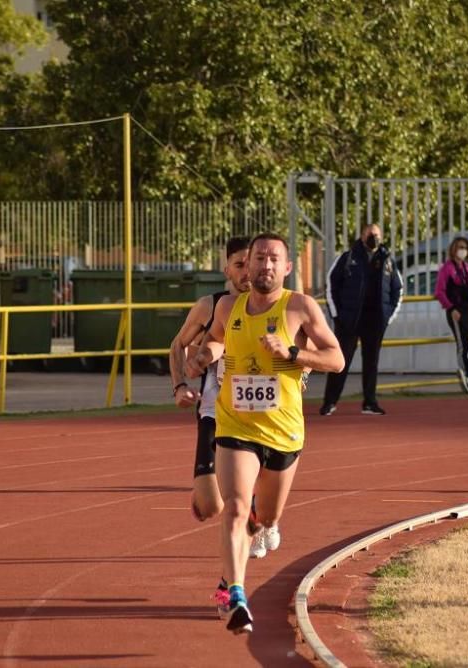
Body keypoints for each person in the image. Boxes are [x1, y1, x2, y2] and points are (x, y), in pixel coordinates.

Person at [188, 232, 344, 634]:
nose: (265, 265)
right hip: (235, 424)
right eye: (259, 258)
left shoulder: (300, 307)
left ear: (287, 267)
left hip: (284, 431)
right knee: (237, 508)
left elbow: (337, 359)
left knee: (264, 515)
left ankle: (233, 571)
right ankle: (236, 593)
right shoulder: (228, 307)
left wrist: (292, 353)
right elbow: (215, 342)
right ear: (248, 264)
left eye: (274, 259)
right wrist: (202, 356)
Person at [169, 236, 250, 525]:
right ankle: (208, 496)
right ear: (226, 269)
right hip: (213, 411)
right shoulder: (210, 306)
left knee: (246, 497)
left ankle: (258, 516)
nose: (246, 272)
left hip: (257, 415)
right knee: (210, 507)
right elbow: (177, 345)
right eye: (238, 264)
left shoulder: (273, 307)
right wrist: (179, 386)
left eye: (251, 263)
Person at [320, 223, 402, 416]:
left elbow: (398, 289)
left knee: (371, 362)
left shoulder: (387, 260)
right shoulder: (348, 257)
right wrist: (337, 316)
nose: (373, 237)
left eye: (377, 234)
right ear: (362, 236)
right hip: (349, 320)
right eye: (370, 234)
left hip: (375, 320)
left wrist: (388, 316)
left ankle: (370, 402)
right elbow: (331, 285)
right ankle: (329, 402)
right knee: (340, 361)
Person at [434, 235, 468, 394]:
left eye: (464, 247)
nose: (462, 250)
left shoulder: (467, 268)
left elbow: (466, 290)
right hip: (456, 312)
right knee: (463, 346)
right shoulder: (446, 268)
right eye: (459, 247)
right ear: (453, 249)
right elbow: (439, 292)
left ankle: (467, 371)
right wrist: (451, 309)